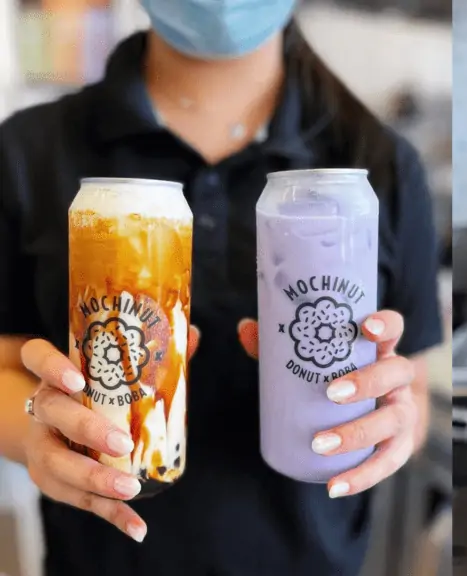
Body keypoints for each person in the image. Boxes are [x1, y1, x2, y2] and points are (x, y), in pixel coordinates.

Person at [0, 1, 443, 575]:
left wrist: (398, 421)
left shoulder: (381, 165)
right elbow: (7, 367)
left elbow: (415, 390)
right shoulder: (28, 150)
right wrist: (37, 432)